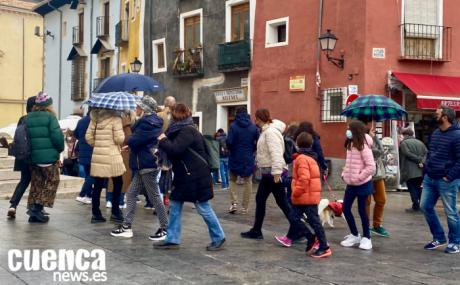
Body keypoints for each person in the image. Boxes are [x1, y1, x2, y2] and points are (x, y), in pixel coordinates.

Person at [154, 103, 225, 251]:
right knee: (174, 205)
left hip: (195, 176)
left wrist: (163, 140)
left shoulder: (187, 131)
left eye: (171, 114)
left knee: (203, 207)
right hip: (185, 176)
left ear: (176, 115)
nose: (169, 117)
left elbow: (175, 149)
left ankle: (218, 237)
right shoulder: (179, 130)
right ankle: (172, 239)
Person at [111, 96, 168, 240]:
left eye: (138, 108)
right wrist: (131, 145)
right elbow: (140, 141)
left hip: (146, 164)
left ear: (144, 110)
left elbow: (134, 139)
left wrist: (130, 142)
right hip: (143, 163)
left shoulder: (147, 123)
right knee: (131, 194)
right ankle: (127, 226)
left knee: (154, 196)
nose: (136, 109)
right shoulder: (150, 122)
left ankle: (165, 228)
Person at [274, 132, 332, 258]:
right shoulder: (310, 157)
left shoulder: (301, 159)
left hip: (306, 196)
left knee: (313, 221)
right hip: (307, 196)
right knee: (295, 218)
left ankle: (324, 246)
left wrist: (296, 191)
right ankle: (311, 238)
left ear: (297, 143)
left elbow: (304, 179)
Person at [241, 109, 291, 239]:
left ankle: (302, 231)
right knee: (261, 199)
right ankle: (256, 230)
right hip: (267, 174)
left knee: (283, 203)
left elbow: (276, 153)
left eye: (256, 118)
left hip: (273, 174)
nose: (254, 120)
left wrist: (276, 173)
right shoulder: (265, 131)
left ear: (259, 118)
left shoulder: (270, 133)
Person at [420, 106, 460, 254]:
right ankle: (439, 237)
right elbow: (431, 154)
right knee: (425, 206)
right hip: (430, 178)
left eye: (437, 114)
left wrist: (449, 176)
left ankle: (455, 242)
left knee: (450, 212)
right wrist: (426, 172)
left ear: (445, 117)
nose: (434, 116)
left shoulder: (457, 135)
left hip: (447, 180)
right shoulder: (436, 133)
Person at [26, 92, 64, 223]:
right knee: (53, 181)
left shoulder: (28, 117)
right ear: (48, 105)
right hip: (48, 158)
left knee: (37, 183)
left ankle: (33, 212)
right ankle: (37, 208)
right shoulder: (50, 117)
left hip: (33, 158)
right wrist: (60, 150)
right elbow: (57, 137)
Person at [86, 107, 126, 224]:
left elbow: (88, 137)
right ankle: (115, 212)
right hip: (112, 155)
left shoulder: (95, 118)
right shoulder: (115, 118)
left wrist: (98, 145)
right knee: (118, 182)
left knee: (98, 184)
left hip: (98, 155)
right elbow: (119, 139)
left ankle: (96, 213)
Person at [340, 120, 375, 250]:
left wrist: (359, 177)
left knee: (362, 210)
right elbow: (349, 163)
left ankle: (367, 237)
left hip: (363, 183)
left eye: (349, 129)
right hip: (351, 183)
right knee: (345, 208)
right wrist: (345, 174)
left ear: (355, 131)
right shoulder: (350, 144)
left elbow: (371, 167)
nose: (347, 131)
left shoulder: (364, 146)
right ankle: (354, 234)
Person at [7, 96, 36, 219]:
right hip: (34, 155)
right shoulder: (37, 119)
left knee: (24, 181)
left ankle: (13, 205)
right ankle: (34, 208)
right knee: (37, 181)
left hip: (22, 156)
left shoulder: (22, 119)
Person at [226, 106, 259, 214]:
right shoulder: (253, 127)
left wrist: (231, 149)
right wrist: (252, 150)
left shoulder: (233, 126)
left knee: (232, 180)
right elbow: (257, 142)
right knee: (248, 181)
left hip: (235, 155)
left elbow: (229, 142)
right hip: (248, 157)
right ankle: (245, 207)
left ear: (236, 113)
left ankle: (234, 203)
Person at [366, 127, 390, 237]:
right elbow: (377, 152)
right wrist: (371, 137)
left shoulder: (374, 140)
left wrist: (374, 137)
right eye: (372, 131)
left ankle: (377, 225)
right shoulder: (363, 142)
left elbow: (381, 153)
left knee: (381, 200)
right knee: (366, 202)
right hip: (367, 176)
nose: (374, 132)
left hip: (378, 174)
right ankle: (365, 226)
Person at [399, 127, 427, 213]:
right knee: (419, 188)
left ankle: (416, 206)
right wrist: (422, 161)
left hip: (409, 170)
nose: (402, 137)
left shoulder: (404, 143)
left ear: (405, 135)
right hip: (420, 170)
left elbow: (407, 153)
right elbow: (426, 153)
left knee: (412, 188)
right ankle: (421, 205)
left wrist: (419, 160)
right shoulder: (420, 142)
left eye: (402, 135)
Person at [157, 96, 176, 206]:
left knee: (168, 176)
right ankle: (161, 200)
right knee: (161, 176)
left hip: (167, 149)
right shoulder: (163, 116)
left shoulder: (172, 116)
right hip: (163, 149)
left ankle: (165, 198)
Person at [74, 108, 94, 204]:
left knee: (87, 174)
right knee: (92, 175)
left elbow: (75, 134)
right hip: (92, 151)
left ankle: (88, 195)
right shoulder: (95, 121)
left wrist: (82, 140)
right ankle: (82, 194)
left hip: (82, 151)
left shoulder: (81, 121)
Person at [283, 123, 299, 205]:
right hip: (291, 165)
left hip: (290, 165)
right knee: (291, 185)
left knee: (290, 187)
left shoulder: (288, 139)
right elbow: (289, 156)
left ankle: (290, 204)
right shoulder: (289, 141)